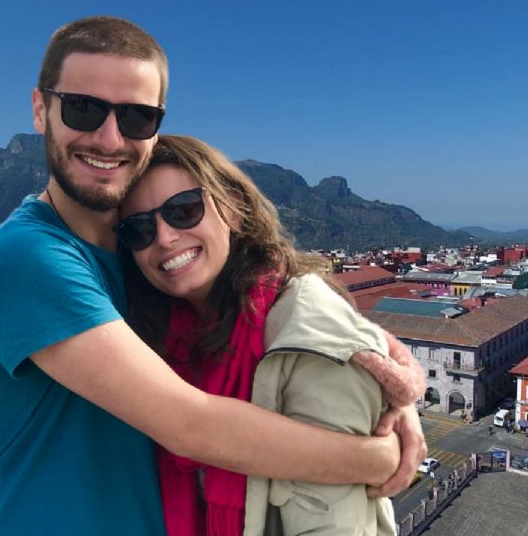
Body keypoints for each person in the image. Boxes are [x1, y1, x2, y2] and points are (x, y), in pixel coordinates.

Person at [0, 16, 426, 536]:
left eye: (137, 117)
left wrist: (379, 385)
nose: (110, 137)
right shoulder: (27, 257)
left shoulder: (139, 258)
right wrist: (379, 457)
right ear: (39, 109)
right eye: (84, 107)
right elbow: (190, 425)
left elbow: (270, 312)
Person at [116, 136, 426, 535]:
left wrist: (384, 445)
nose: (163, 237)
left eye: (183, 210)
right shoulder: (163, 341)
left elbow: (331, 523)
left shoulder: (311, 338)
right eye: (138, 229)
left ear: (232, 206)